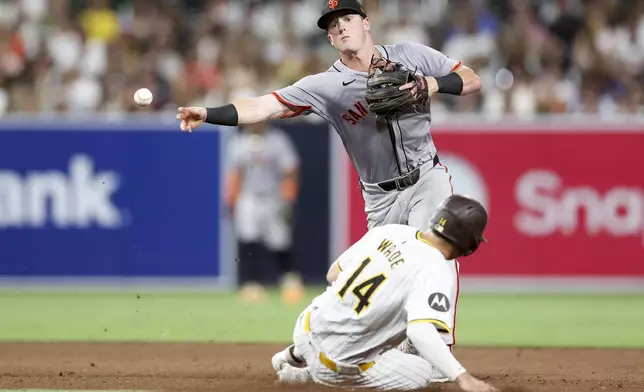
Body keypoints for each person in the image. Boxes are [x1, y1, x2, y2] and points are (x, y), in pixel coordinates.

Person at [176, 0, 482, 355]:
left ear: (366, 23)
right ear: (330, 39)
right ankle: (350, 347)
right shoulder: (326, 86)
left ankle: (434, 346)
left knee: (431, 251)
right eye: (333, 25)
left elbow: (471, 79)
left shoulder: (410, 54)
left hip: (427, 175)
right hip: (380, 198)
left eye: (347, 18)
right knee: (359, 278)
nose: (340, 27)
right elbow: (265, 105)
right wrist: (208, 113)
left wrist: (430, 84)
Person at [270, 194, 497, 392]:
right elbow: (420, 331)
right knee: (422, 372)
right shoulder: (436, 269)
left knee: (353, 311)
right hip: (335, 362)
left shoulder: (392, 231)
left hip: (306, 324)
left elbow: (333, 274)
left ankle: (296, 354)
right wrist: (462, 377)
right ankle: (304, 376)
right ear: (470, 245)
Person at [225, 120, 304, 303]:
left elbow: (291, 169)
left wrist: (289, 195)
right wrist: (232, 199)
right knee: (248, 238)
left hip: (274, 195)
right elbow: (235, 173)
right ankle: (252, 284)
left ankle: (289, 280)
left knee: (279, 240)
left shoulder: (278, 140)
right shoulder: (238, 142)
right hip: (248, 195)